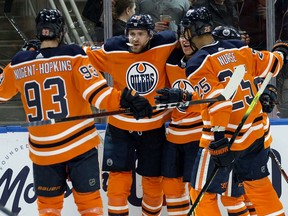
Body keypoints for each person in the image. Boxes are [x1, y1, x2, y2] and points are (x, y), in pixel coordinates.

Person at [0, 8, 152, 216]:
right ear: (61, 31)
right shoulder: (72, 55)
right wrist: (126, 98)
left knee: (48, 210)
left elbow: (2, 93)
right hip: (79, 145)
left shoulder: (19, 62)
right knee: (91, 208)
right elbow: (98, 95)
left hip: (44, 151)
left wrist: (22, 58)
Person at [155, 6, 286, 216]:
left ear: (192, 30)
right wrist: (282, 51)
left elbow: (219, 102)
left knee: (201, 193)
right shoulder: (238, 49)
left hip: (225, 137)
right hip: (253, 134)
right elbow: (270, 64)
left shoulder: (197, 62)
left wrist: (218, 140)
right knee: (259, 188)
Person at [84, 14, 178, 215]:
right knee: (118, 179)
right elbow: (80, 58)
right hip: (121, 126)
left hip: (153, 126)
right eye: (132, 34)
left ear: (151, 35)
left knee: (153, 182)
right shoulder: (113, 49)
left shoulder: (165, 43)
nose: (135, 39)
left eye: (140, 34)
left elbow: (190, 44)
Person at [157, 25, 200, 215]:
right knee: (171, 185)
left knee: (197, 188)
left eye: (189, 36)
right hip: (174, 135)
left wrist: (185, 97)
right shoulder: (171, 61)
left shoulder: (208, 61)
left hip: (198, 135)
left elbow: (220, 96)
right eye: (182, 36)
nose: (185, 40)